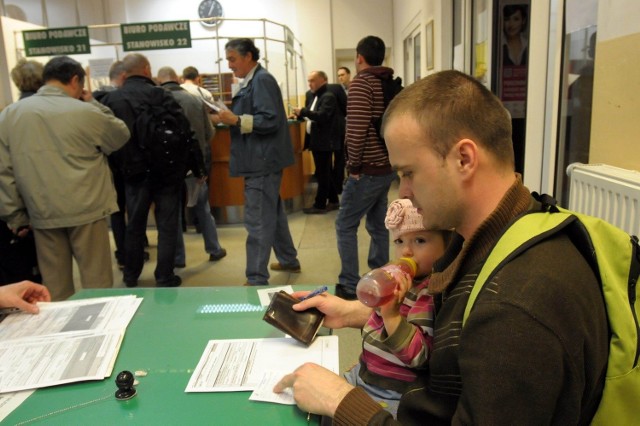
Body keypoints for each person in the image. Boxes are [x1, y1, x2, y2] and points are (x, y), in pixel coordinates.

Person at [274, 70, 608, 424]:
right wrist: (353, 312)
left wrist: (340, 401)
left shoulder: (518, 305)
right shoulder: (500, 232)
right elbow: (450, 330)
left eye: (408, 173)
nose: (402, 192)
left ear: (464, 159)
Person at [0, 56, 130, 301]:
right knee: (97, 284)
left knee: (53, 287)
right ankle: (99, 332)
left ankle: (60, 333)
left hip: (40, 211)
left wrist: (16, 216)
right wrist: (93, 102)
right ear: (75, 80)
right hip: (87, 208)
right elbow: (120, 135)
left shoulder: (9, 115)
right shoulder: (85, 111)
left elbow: (4, 172)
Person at [100, 53, 206, 288]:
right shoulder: (162, 96)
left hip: (132, 174)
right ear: (147, 69)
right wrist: (196, 166)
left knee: (135, 225)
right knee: (167, 225)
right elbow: (186, 133)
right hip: (167, 172)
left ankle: (131, 274)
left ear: (124, 74)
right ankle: (164, 275)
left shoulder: (112, 100)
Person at [345, 198, 451, 417]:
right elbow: (375, 328)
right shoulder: (399, 282)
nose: (407, 252)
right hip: (366, 373)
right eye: (399, 241)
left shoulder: (428, 293)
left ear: (447, 244)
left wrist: (392, 316)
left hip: (393, 392)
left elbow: (419, 357)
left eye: (420, 240)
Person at [216, 38, 301, 286]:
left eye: (232, 59)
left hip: (261, 162)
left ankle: (255, 277)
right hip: (262, 160)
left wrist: (234, 120)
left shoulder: (261, 80)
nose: (230, 65)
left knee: (258, 222)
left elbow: (270, 120)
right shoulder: (254, 80)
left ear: (248, 57)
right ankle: (288, 259)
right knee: (272, 214)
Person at [335, 35, 397, 300]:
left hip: (367, 168)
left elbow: (357, 128)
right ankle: (381, 277)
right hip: (386, 166)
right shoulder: (389, 83)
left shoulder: (362, 83)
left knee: (345, 224)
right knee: (377, 224)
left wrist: (354, 165)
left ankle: (349, 282)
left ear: (359, 57)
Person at [156, 66, 227, 265]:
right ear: (177, 79)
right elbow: (209, 132)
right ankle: (214, 248)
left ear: (160, 81)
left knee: (172, 211)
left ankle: (178, 258)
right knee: (202, 207)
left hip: (167, 168)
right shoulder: (194, 99)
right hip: (195, 163)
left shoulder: (155, 102)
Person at [292, 71, 343, 214]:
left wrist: (303, 112)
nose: (310, 83)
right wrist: (299, 113)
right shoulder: (313, 95)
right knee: (325, 172)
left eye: (313, 80)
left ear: (323, 80)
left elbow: (322, 116)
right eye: (308, 80)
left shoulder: (328, 97)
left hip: (324, 141)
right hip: (316, 139)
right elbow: (311, 112)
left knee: (322, 174)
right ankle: (333, 201)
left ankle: (320, 205)